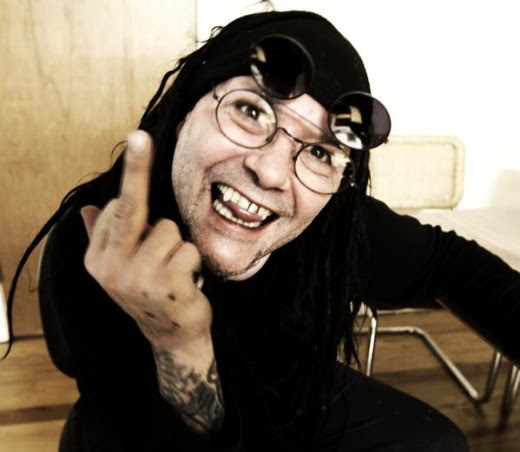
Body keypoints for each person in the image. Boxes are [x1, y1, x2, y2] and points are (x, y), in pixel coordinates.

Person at [7, 9, 520, 452]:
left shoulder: (333, 226)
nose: (272, 172)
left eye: (318, 150)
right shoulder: (96, 246)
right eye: (251, 111)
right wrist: (177, 340)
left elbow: (452, 265)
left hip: (281, 391)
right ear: (185, 111)